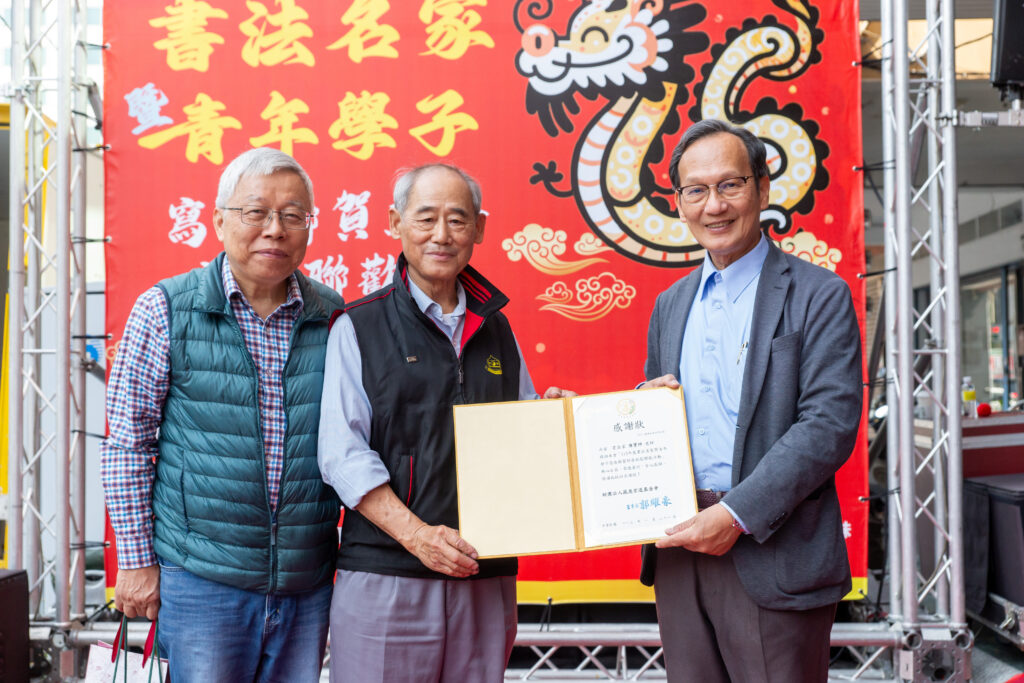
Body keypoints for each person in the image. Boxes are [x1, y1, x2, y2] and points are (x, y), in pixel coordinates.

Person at [318, 163, 570, 682]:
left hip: (484, 571)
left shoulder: (497, 328)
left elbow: (522, 437)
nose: (441, 235)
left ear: (479, 228)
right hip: (388, 573)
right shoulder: (359, 325)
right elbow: (342, 454)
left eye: (457, 220)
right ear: (395, 222)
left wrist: (556, 421)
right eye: (426, 217)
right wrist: (417, 537)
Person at [100, 147, 343, 683]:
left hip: (306, 582)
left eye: (293, 215)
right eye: (256, 212)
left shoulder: (334, 316)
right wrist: (136, 562)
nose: (275, 229)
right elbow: (127, 446)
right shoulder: (166, 309)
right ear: (218, 220)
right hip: (201, 580)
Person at [639, 119, 863, 682]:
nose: (713, 205)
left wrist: (735, 515)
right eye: (696, 190)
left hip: (773, 551)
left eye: (730, 185)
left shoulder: (819, 295)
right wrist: (640, 411)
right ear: (679, 203)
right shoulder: (670, 304)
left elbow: (828, 425)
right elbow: (658, 415)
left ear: (762, 188)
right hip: (681, 550)